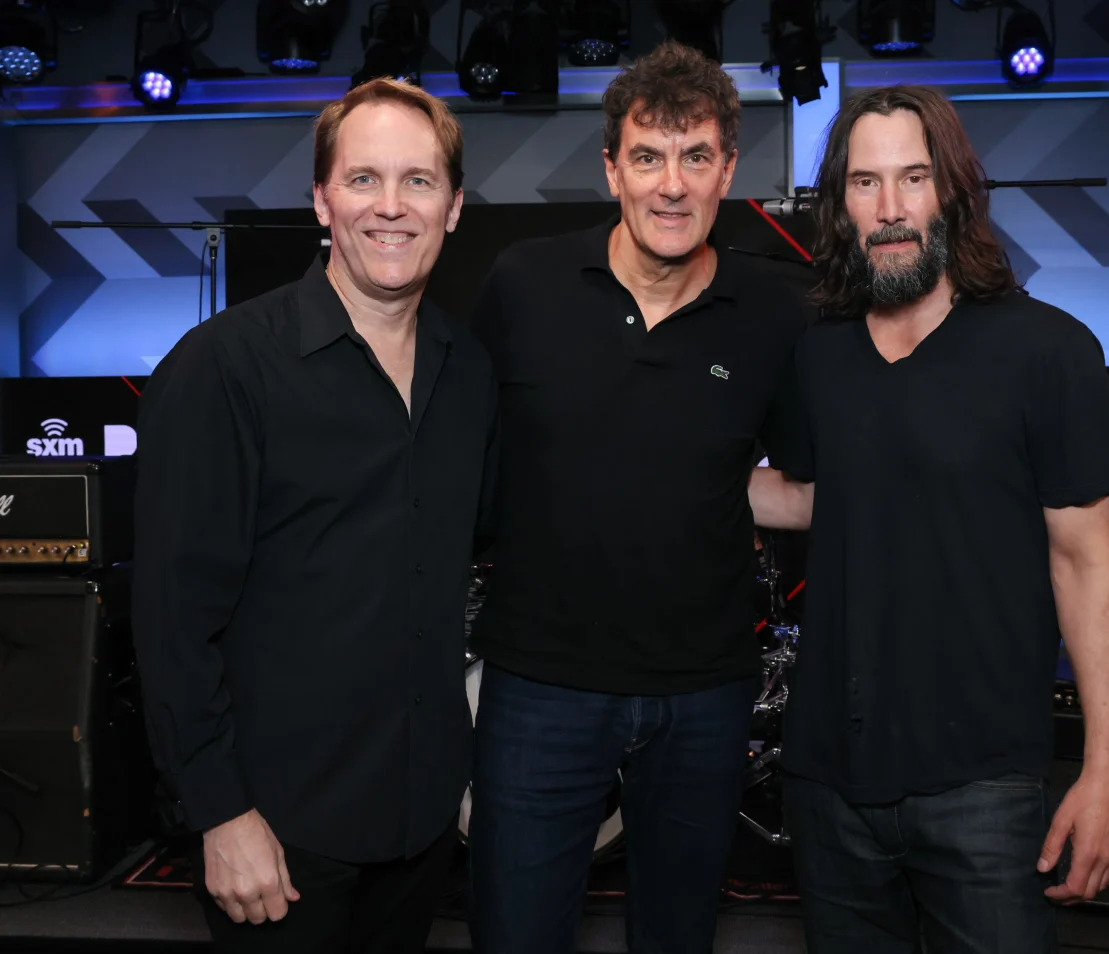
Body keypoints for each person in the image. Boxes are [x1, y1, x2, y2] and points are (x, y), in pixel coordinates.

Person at [749, 84, 1109, 953]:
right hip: (828, 784)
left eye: (912, 179)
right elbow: (816, 497)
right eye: (864, 183)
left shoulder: (1050, 351)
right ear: (840, 205)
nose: (890, 209)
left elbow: (1086, 563)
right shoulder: (819, 355)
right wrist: (665, 473)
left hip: (985, 790)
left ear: (952, 191)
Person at [132, 77, 497, 953]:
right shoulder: (223, 369)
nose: (391, 206)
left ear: (452, 208)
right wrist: (219, 813)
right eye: (363, 179)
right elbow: (174, 619)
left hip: (416, 825)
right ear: (322, 201)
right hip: (277, 836)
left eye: (419, 181)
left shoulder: (469, 373)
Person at [466, 41, 807, 954]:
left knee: (678, 937)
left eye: (696, 157)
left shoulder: (777, 313)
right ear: (611, 166)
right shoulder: (524, 285)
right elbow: (459, 455)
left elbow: (800, 489)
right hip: (539, 688)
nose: (672, 185)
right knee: (516, 934)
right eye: (648, 156)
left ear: (728, 169)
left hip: (704, 695)